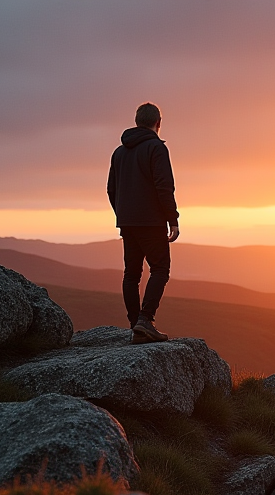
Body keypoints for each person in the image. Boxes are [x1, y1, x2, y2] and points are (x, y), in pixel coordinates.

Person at [107, 102, 179, 343]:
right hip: (151, 221)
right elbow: (164, 186)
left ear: (137, 121)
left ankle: (135, 325)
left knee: (132, 273)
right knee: (160, 269)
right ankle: (145, 320)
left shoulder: (119, 152)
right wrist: (173, 219)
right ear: (158, 123)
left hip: (127, 222)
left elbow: (111, 189)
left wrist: (123, 213)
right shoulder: (156, 148)